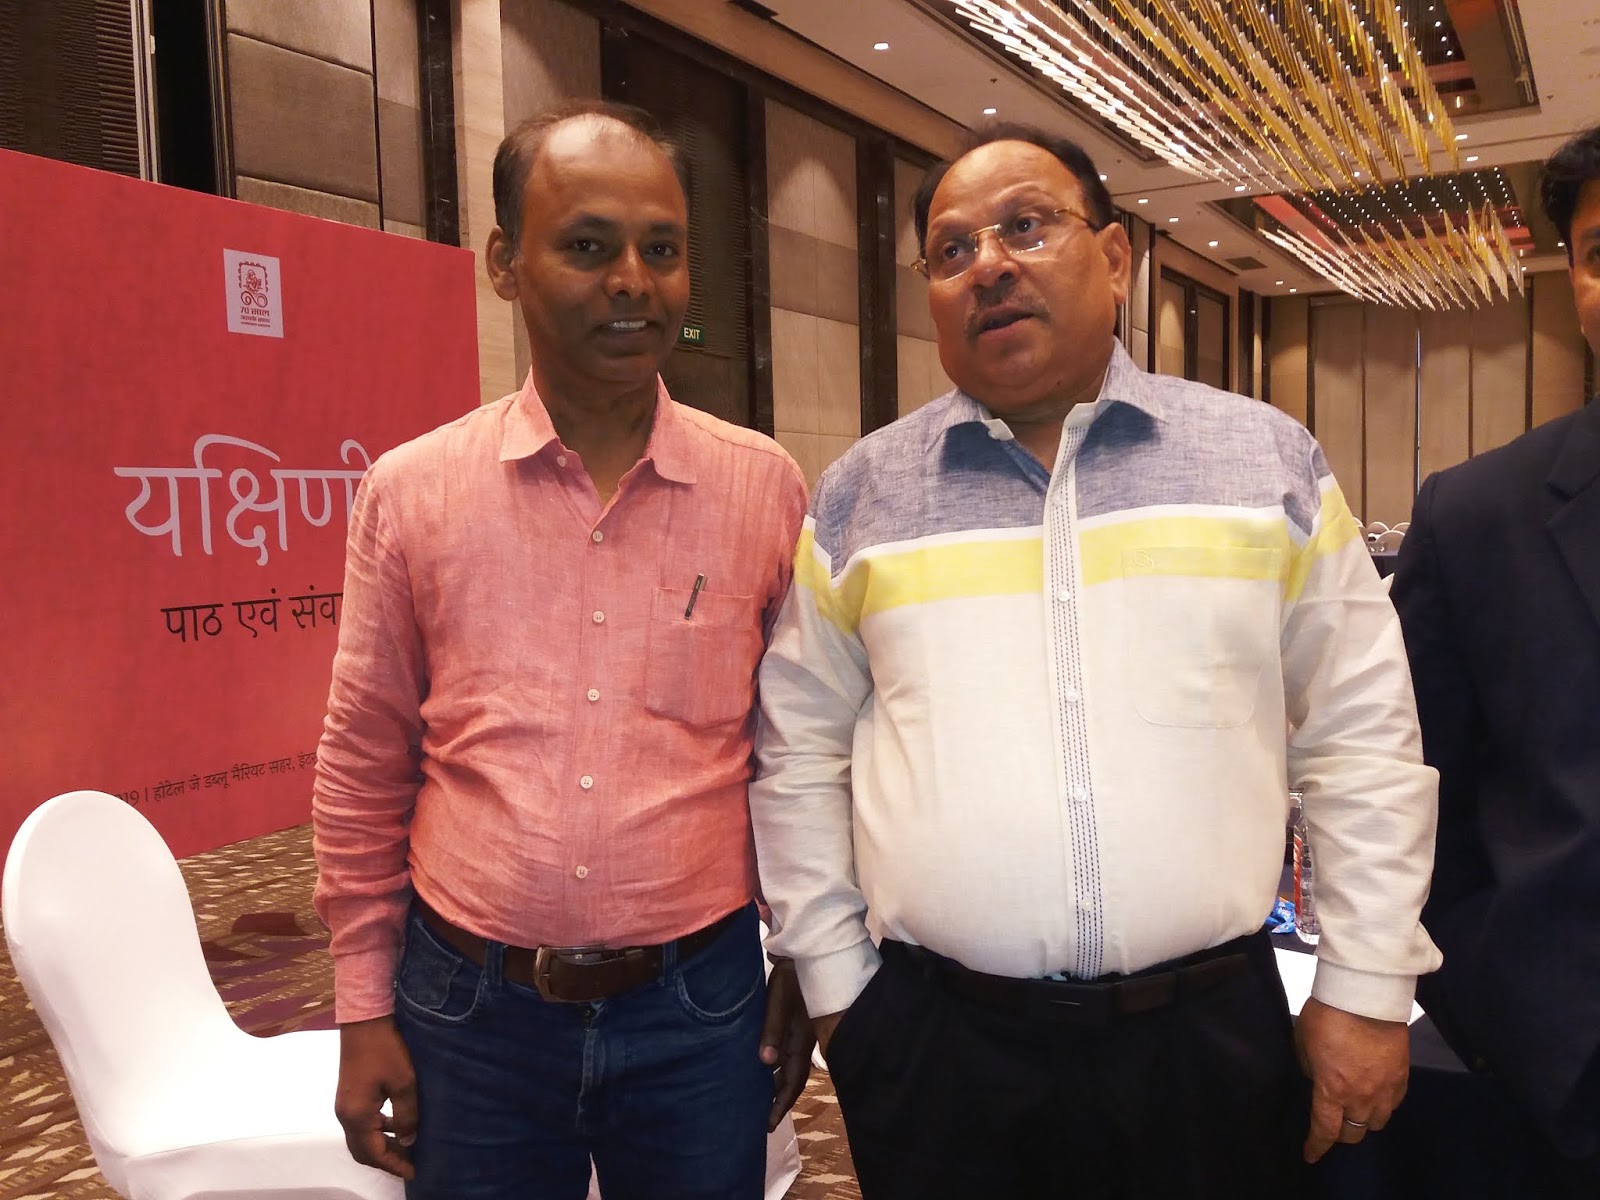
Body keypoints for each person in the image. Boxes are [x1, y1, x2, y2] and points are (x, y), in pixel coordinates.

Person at [749, 123, 1441, 1199]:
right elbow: (797, 749)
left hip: (1205, 1047)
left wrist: (1364, 983)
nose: (989, 266)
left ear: (1114, 258)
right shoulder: (862, 496)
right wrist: (840, 986)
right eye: (952, 249)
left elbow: (1361, 737)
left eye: (1026, 227)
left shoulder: (1263, 461)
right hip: (940, 1052)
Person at [312, 100, 812, 1200]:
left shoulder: (762, 489)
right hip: (469, 1014)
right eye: (588, 247)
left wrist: (807, 950)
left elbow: (798, 754)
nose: (633, 282)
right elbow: (363, 764)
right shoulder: (414, 492)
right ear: (505, 262)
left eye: (662, 251)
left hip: (700, 1007)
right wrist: (360, 1003)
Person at [1389, 123, 1600, 1193]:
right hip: (1564, 1092)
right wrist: (1509, 1019)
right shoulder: (1477, 517)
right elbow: (1414, 790)